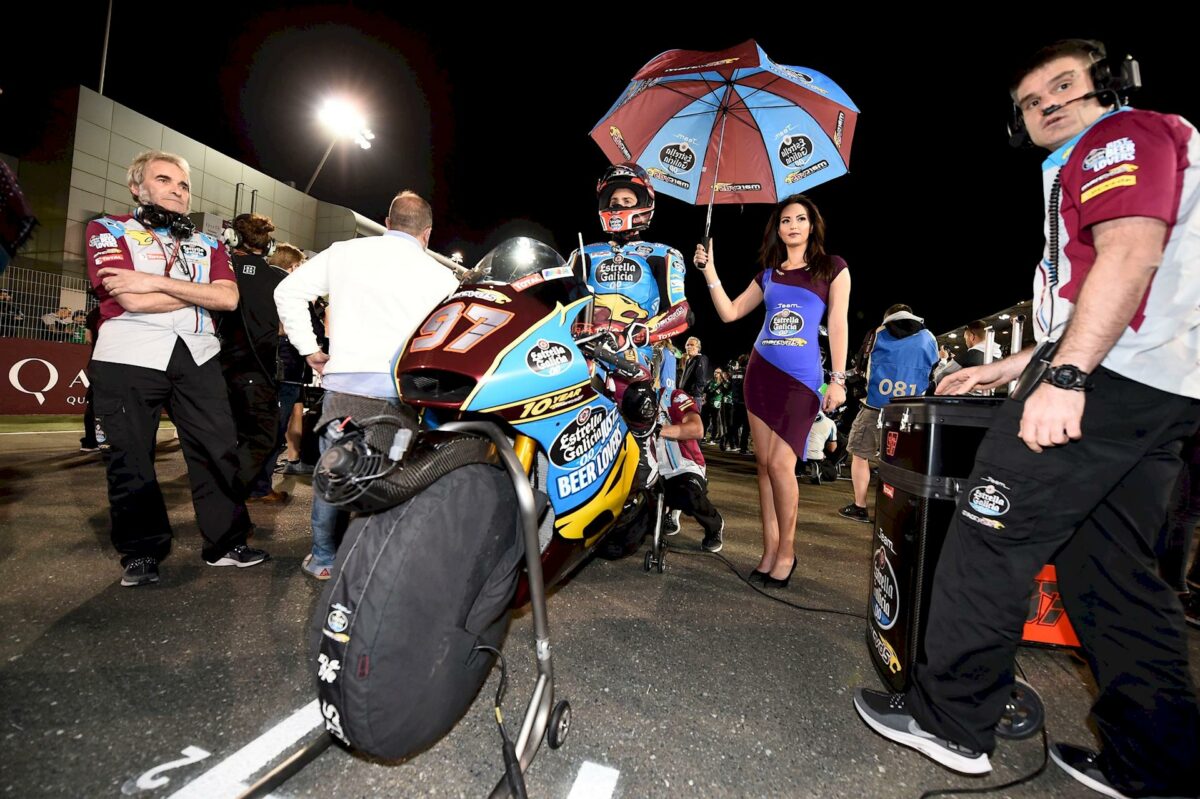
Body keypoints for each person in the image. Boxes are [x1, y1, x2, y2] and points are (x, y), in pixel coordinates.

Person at [852, 40, 1200, 799]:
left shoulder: (1117, 136)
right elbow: (1091, 298)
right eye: (1030, 100)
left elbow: (1130, 254)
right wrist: (1015, 366)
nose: (1046, 105)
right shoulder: (1118, 148)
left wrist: (1065, 375)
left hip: (1109, 378)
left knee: (987, 535)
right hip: (1156, 385)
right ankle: (1159, 766)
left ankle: (954, 722)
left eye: (1063, 86)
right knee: (1110, 574)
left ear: (1105, 83)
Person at [86, 149, 267, 587]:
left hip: (198, 354)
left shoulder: (208, 242)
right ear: (138, 187)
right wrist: (197, 290)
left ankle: (226, 542)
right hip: (128, 353)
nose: (177, 190)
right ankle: (142, 552)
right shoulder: (107, 229)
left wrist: (152, 281)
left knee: (218, 449)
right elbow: (129, 300)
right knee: (130, 458)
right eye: (164, 180)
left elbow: (228, 299)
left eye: (183, 185)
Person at [275, 190, 459, 580]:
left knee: (335, 470)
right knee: (396, 474)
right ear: (427, 233)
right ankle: (380, 559)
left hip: (347, 386)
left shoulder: (344, 253)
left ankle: (324, 558)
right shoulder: (443, 277)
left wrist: (309, 350)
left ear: (388, 223)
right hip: (405, 392)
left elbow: (287, 291)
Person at [694, 194, 850, 589]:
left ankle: (787, 552)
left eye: (800, 219)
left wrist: (838, 378)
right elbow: (729, 313)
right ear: (777, 229)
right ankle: (768, 550)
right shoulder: (768, 274)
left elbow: (839, 323)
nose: (793, 225)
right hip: (760, 374)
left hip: (802, 381)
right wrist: (710, 271)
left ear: (812, 225)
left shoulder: (832, 269)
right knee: (763, 467)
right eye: (785, 220)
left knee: (782, 464)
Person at [572, 162, 690, 368]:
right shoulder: (583, 253)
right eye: (614, 201)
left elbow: (681, 312)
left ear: (643, 204)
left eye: (627, 200)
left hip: (634, 358)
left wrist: (631, 336)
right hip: (581, 355)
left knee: (636, 396)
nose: (618, 206)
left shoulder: (662, 254)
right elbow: (558, 304)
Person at [217, 213, 291, 505]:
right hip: (257, 370)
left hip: (216, 368)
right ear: (269, 245)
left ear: (232, 239)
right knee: (264, 436)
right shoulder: (278, 279)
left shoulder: (218, 271)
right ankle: (227, 498)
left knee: (227, 437)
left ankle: (224, 495)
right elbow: (287, 326)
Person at [838, 305, 938, 522]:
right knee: (904, 461)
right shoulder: (928, 336)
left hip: (875, 406)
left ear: (887, 317)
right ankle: (898, 512)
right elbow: (934, 368)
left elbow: (862, 366)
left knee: (860, 454)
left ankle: (860, 506)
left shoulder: (878, 333)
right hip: (911, 410)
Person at [653, 385, 724, 552]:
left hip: (684, 467)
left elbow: (697, 429)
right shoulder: (621, 401)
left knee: (689, 495)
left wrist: (658, 429)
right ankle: (669, 510)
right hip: (653, 472)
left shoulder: (672, 396)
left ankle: (715, 525)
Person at [933, 320, 1003, 384]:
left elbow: (939, 377)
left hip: (964, 397)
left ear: (972, 337)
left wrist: (943, 360)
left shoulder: (968, 356)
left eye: (965, 338)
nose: (966, 341)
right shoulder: (999, 357)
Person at [678, 335, 710, 412]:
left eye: (692, 345)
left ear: (698, 348)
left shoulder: (701, 358)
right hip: (684, 396)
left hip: (692, 397)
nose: (689, 347)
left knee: (692, 422)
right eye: (687, 345)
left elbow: (701, 379)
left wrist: (694, 394)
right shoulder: (688, 361)